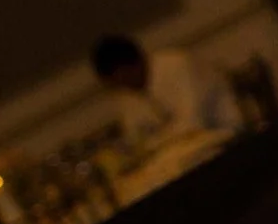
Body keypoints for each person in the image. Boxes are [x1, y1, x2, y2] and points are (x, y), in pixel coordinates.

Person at [89, 33, 238, 147]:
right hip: (189, 153)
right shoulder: (127, 96)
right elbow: (139, 142)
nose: (123, 87)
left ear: (133, 65)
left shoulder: (176, 65)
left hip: (228, 137)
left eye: (122, 79)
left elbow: (193, 123)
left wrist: (161, 141)